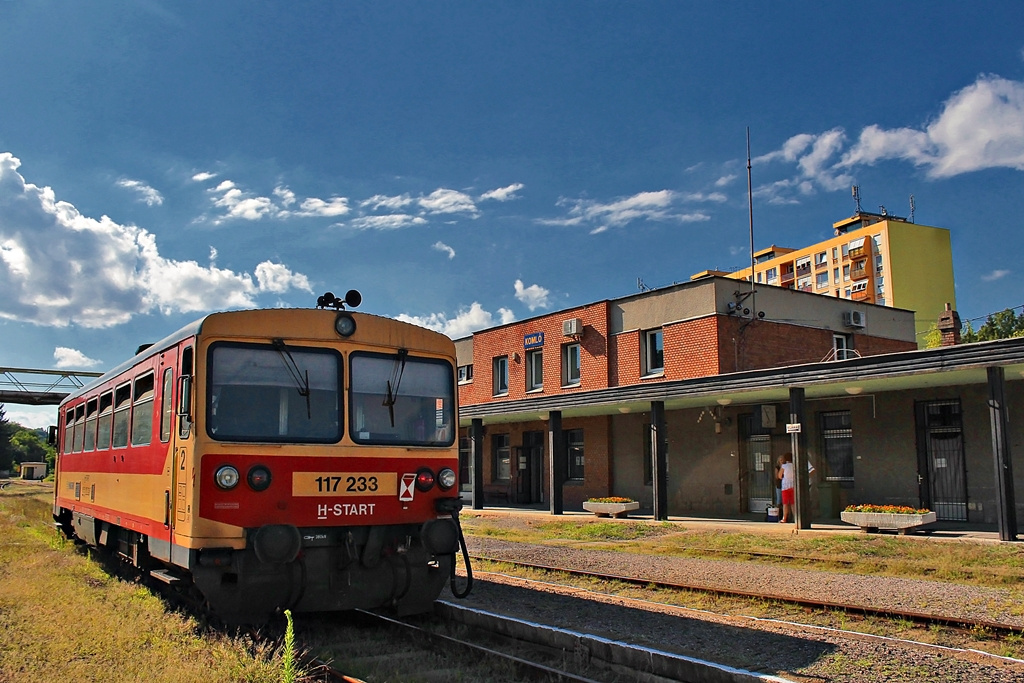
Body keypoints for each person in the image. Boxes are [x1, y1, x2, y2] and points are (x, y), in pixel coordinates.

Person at [778, 452, 795, 523]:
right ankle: (795, 517)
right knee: (793, 503)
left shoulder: (784, 466)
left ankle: (784, 518)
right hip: (793, 485)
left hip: (785, 486)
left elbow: (779, 475)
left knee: (785, 503)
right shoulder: (794, 465)